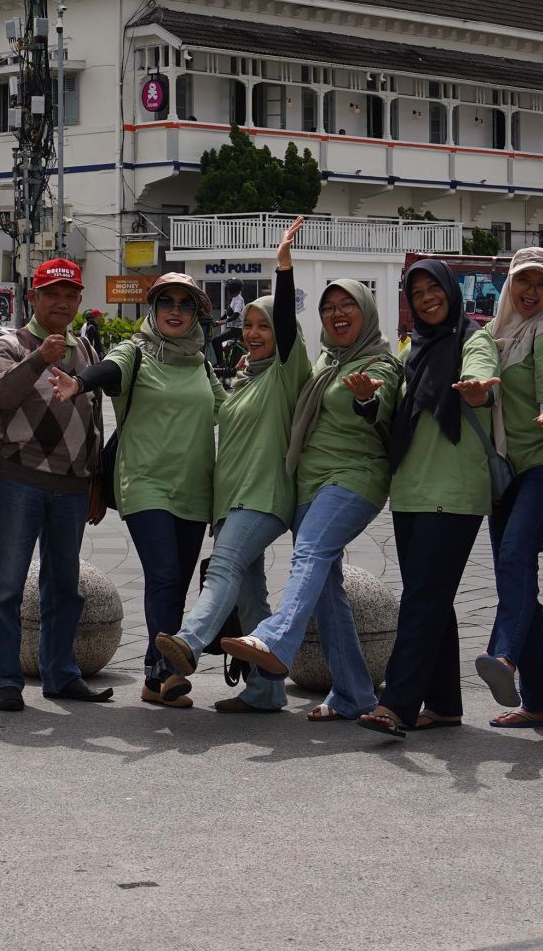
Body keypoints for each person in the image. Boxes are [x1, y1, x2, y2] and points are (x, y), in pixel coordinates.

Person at [222, 278, 398, 724]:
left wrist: (366, 398)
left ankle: (277, 638)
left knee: (310, 551)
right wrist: (253, 364)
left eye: (347, 304)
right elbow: (288, 374)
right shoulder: (325, 361)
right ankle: (354, 694)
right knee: (326, 592)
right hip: (309, 482)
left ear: (366, 311)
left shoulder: (380, 361)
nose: (337, 313)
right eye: (328, 307)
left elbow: (380, 402)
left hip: (354, 477)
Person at [153, 218, 307, 714]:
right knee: (250, 596)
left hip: (261, 497)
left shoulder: (285, 372)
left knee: (223, 569)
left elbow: (287, 328)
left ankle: (189, 642)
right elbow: (215, 409)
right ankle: (266, 691)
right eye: (249, 326)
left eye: (264, 326)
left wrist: (283, 268)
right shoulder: (246, 380)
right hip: (232, 501)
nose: (255, 334)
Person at [51, 273, 224, 708]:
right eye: (166, 301)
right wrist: (80, 383)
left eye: (185, 304)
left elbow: (230, 411)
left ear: (196, 314)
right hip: (145, 482)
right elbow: (110, 369)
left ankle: (152, 678)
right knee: (163, 574)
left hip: (195, 487)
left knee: (177, 583)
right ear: (152, 307)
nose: (175, 311)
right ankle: (167, 672)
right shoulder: (136, 350)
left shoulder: (201, 363)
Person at [360, 257, 501, 737]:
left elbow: (482, 375)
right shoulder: (412, 348)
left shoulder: (472, 339)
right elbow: (391, 402)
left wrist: (478, 392)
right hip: (411, 490)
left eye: (433, 289)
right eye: (417, 293)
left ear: (450, 290)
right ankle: (443, 705)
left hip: (454, 491)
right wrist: (367, 398)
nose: (426, 299)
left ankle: (396, 704)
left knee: (422, 598)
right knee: (432, 597)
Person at [0, 257, 115, 710]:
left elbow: (94, 417)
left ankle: (60, 674)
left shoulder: (87, 349)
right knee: (8, 585)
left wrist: (96, 481)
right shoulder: (9, 344)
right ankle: (5, 680)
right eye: (51, 294)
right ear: (32, 298)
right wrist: (40, 357)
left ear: (79, 300)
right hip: (19, 480)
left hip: (73, 487)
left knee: (64, 586)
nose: (61, 302)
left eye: (70, 294)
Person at [471, 247, 543, 728]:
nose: (532, 292)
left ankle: (504, 657)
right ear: (509, 282)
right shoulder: (499, 332)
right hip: (508, 472)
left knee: (515, 555)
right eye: (524, 281)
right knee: (516, 580)